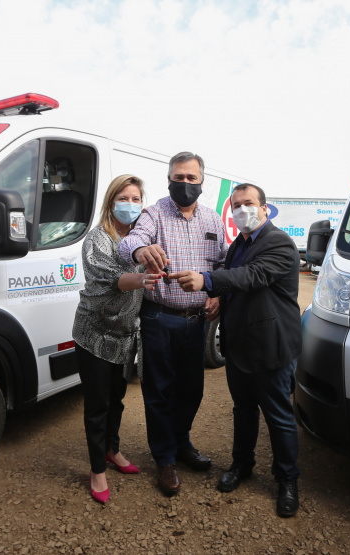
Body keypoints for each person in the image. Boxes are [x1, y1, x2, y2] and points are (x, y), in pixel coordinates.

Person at [169, 183, 303, 517]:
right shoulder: (238, 245)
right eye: (236, 205)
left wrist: (207, 281)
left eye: (249, 204)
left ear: (265, 208)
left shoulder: (279, 242)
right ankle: (242, 465)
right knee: (243, 410)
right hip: (239, 345)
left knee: (279, 417)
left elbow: (253, 276)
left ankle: (287, 480)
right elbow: (234, 279)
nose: (242, 210)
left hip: (270, 346)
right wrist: (217, 298)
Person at [118, 152, 227, 496]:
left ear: (201, 182)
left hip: (196, 323)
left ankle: (181, 443)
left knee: (191, 390)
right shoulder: (154, 214)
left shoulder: (212, 220)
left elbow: (224, 264)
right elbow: (130, 242)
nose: (184, 184)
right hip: (159, 319)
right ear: (169, 179)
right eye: (178, 177)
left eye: (191, 178)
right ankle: (165, 459)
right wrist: (140, 253)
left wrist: (218, 292)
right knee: (159, 391)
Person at [72, 174, 162, 504]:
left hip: (125, 335)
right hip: (94, 334)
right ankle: (97, 469)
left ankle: (112, 449)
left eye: (137, 199)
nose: (131, 205)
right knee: (97, 404)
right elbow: (109, 280)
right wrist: (142, 278)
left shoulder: (140, 239)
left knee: (117, 398)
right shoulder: (98, 239)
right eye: (124, 198)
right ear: (111, 202)